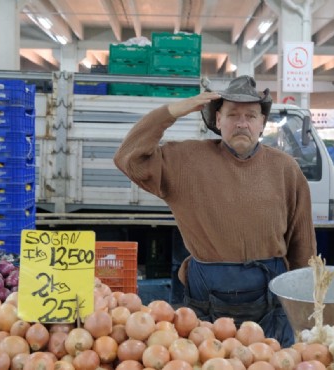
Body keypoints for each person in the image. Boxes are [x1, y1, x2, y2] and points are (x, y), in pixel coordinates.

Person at [114, 76, 316, 346]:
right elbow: (129, 158)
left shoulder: (285, 168)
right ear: (217, 121)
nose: (242, 123)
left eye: (250, 116)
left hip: (271, 299)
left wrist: (303, 307)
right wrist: (172, 112)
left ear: (262, 123)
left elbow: (302, 244)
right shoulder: (185, 161)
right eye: (232, 115)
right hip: (206, 300)